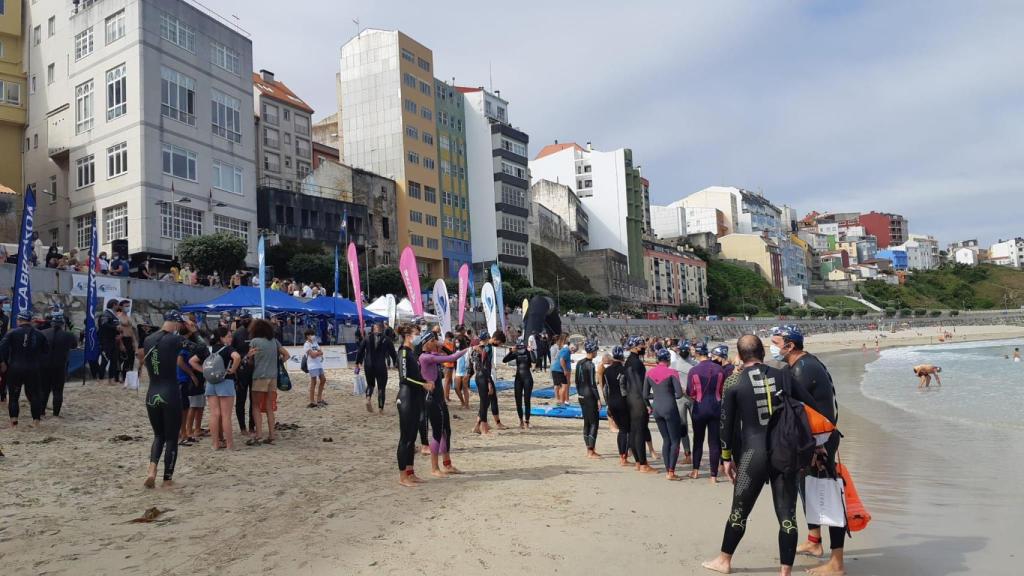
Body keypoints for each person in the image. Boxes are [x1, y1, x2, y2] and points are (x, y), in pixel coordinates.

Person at [702, 334, 809, 576]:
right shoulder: (783, 375)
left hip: (753, 455)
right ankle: (785, 571)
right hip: (785, 452)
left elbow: (725, 425)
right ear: (762, 352)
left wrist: (726, 458)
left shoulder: (734, 382)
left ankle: (724, 560)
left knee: (739, 511)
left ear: (739, 356)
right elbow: (808, 404)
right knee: (787, 515)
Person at [771, 325, 845, 576]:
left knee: (829, 495)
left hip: (820, 441)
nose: (773, 346)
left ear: (790, 345)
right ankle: (814, 541)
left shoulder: (804, 368)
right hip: (812, 439)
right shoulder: (799, 365)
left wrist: (818, 447)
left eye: (776, 342)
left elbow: (796, 407)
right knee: (808, 488)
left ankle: (837, 563)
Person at [137, 310, 191, 488]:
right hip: (170, 392)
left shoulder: (148, 339)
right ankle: (167, 479)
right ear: (176, 324)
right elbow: (199, 348)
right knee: (171, 438)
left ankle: (151, 470)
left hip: (152, 392)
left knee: (158, 435)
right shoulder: (175, 339)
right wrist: (192, 331)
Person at [418, 333, 470, 477]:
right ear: (426, 343)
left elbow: (449, 354)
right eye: (433, 341)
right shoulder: (426, 357)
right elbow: (452, 358)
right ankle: (434, 468)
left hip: (439, 399)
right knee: (436, 433)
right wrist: (469, 349)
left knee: (446, 431)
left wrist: (442, 345)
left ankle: (447, 465)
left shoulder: (431, 354)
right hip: (431, 400)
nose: (436, 343)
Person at [0, 311, 51, 427]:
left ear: (19, 320)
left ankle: (14, 421)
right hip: (33, 368)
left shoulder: (12, 333)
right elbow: (46, 352)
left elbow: (1, 349)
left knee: (13, 396)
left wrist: (2, 362)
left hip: (15, 368)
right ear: (30, 321)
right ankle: (36, 421)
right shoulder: (40, 334)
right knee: (35, 396)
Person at [396, 323, 430, 487]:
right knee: (406, 439)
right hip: (406, 397)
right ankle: (403, 476)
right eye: (417, 333)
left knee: (412, 438)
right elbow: (404, 378)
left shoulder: (411, 353)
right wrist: (422, 384)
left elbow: (415, 375)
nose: (419, 336)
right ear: (408, 335)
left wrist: (425, 382)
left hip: (415, 397)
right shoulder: (403, 352)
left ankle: (411, 472)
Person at [246, 319, 289, 445]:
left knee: (256, 406)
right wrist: (278, 361)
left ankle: (259, 434)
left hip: (259, 376)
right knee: (270, 407)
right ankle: (271, 434)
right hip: (273, 377)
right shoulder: (274, 342)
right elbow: (287, 355)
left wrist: (249, 357)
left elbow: (250, 360)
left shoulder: (254, 342)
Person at [687, 341, 725, 483]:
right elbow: (722, 390)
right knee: (714, 442)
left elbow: (690, 392)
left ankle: (695, 471)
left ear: (696, 353)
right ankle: (713, 476)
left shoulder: (693, 370)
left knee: (698, 440)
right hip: (716, 407)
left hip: (700, 407)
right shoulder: (719, 370)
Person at [645, 347, 684, 480]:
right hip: (670, 407)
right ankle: (671, 472)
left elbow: (645, 394)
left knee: (666, 440)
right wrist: (668, 394)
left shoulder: (649, 373)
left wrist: (656, 395)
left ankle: (668, 469)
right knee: (675, 441)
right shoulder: (672, 372)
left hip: (657, 409)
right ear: (668, 360)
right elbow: (679, 394)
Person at [625, 336, 657, 473]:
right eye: (642, 346)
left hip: (629, 399)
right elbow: (639, 385)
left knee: (633, 431)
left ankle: (638, 462)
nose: (644, 348)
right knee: (640, 431)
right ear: (636, 347)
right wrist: (647, 402)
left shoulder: (628, 362)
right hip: (638, 399)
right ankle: (643, 464)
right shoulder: (637, 363)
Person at [206, 326, 241, 451]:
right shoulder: (228, 349)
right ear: (221, 338)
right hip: (225, 381)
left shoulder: (212, 349)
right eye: (228, 336)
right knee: (226, 415)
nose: (231, 338)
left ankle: (215, 444)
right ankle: (230, 444)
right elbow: (237, 357)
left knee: (214, 414)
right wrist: (233, 369)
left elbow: (194, 361)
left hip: (211, 382)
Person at [41, 310, 78, 417]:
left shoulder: (44, 333)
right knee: (58, 391)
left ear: (52, 323)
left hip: (44, 366)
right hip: (60, 366)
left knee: (44, 390)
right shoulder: (68, 335)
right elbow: (74, 345)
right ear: (63, 324)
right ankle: (56, 414)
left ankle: (42, 411)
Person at [355, 323, 397, 414]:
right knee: (381, 387)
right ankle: (380, 409)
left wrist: (358, 362)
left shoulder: (367, 338)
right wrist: (396, 363)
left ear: (373, 329)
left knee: (370, 384)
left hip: (368, 364)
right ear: (382, 329)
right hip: (380, 365)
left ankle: (368, 398)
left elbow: (360, 351)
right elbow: (393, 353)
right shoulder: (387, 339)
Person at [471, 330, 507, 435]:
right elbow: (483, 365)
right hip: (483, 376)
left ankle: (477, 426)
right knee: (484, 402)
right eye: (499, 344)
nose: (499, 346)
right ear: (496, 340)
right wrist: (489, 382)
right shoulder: (487, 347)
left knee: (487, 401)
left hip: (483, 376)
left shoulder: (486, 347)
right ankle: (484, 428)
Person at [602, 346, 631, 466]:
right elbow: (627, 389)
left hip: (612, 402)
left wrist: (607, 403)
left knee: (621, 430)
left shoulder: (607, 371)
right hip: (622, 401)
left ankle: (622, 456)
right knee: (626, 430)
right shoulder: (625, 370)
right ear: (622, 357)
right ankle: (624, 457)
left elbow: (605, 389)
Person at [575, 340, 603, 459]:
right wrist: (598, 399)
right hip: (589, 396)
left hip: (581, 395)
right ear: (592, 351)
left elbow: (576, 381)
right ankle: (591, 452)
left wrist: (579, 393)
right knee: (594, 423)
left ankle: (589, 449)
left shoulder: (579, 363)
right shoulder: (590, 365)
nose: (597, 352)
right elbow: (592, 384)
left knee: (586, 422)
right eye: (596, 350)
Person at [503, 337, 536, 429]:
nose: (520, 348)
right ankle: (521, 420)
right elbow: (504, 360)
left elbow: (534, 360)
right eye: (518, 346)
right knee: (518, 400)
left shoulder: (528, 352)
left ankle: (527, 421)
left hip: (527, 378)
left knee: (526, 400)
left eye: (521, 346)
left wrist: (531, 351)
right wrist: (511, 351)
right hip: (518, 378)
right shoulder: (516, 353)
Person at [231, 315, 255, 435]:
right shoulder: (237, 334)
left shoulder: (255, 333)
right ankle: (243, 427)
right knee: (241, 399)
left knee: (253, 400)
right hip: (241, 371)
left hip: (254, 370)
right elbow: (231, 352)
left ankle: (251, 426)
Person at [97, 300, 121, 384]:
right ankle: (100, 379)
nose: (119, 307)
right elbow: (104, 325)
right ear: (114, 305)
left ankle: (111, 379)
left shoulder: (114, 315)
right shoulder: (105, 314)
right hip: (105, 341)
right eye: (118, 305)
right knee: (105, 360)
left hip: (113, 341)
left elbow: (116, 327)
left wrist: (118, 333)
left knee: (114, 361)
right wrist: (116, 328)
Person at [303, 329, 326, 408]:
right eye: (311, 334)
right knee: (314, 382)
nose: (313, 336)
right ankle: (312, 401)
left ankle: (319, 399)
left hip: (318, 364)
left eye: (313, 334)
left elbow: (321, 352)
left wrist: (317, 353)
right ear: (307, 336)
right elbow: (312, 355)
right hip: (312, 365)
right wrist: (318, 353)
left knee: (323, 379)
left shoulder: (315, 342)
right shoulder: (306, 344)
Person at [453, 329, 473, 409]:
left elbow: (468, 362)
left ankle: (466, 404)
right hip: (458, 372)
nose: (456, 343)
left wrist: (468, 373)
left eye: (457, 342)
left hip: (465, 371)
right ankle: (462, 402)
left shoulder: (467, 351)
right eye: (455, 342)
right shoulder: (456, 351)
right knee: (456, 388)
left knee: (465, 388)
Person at [116, 300, 135, 384]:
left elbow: (131, 330)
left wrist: (134, 341)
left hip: (129, 339)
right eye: (126, 306)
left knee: (130, 359)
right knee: (120, 359)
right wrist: (121, 343)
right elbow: (118, 332)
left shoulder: (128, 316)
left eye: (128, 305)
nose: (128, 307)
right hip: (122, 339)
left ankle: (125, 377)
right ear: (121, 307)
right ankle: (116, 377)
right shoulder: (118, 316)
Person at [550, 333, 572, 407]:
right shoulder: (565, 349)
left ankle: (559, 401)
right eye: (568, 338)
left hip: (555, 369)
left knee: (558, 386)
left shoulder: (561, 348)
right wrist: (565, 369)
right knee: (564, 386)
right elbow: (561, 360)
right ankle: (562, 402)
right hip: (558, 369)